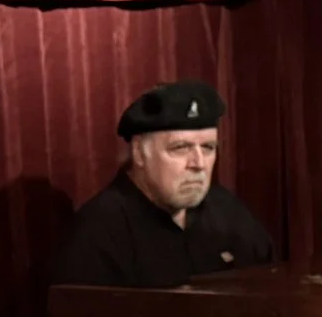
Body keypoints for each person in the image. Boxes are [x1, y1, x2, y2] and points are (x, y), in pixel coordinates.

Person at [49, 80, 274, 288]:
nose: (198, 164)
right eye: (180, 148)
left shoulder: (227, 212)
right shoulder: (98, 235)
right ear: (139, 153)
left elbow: (273, 291)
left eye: (208, 148)